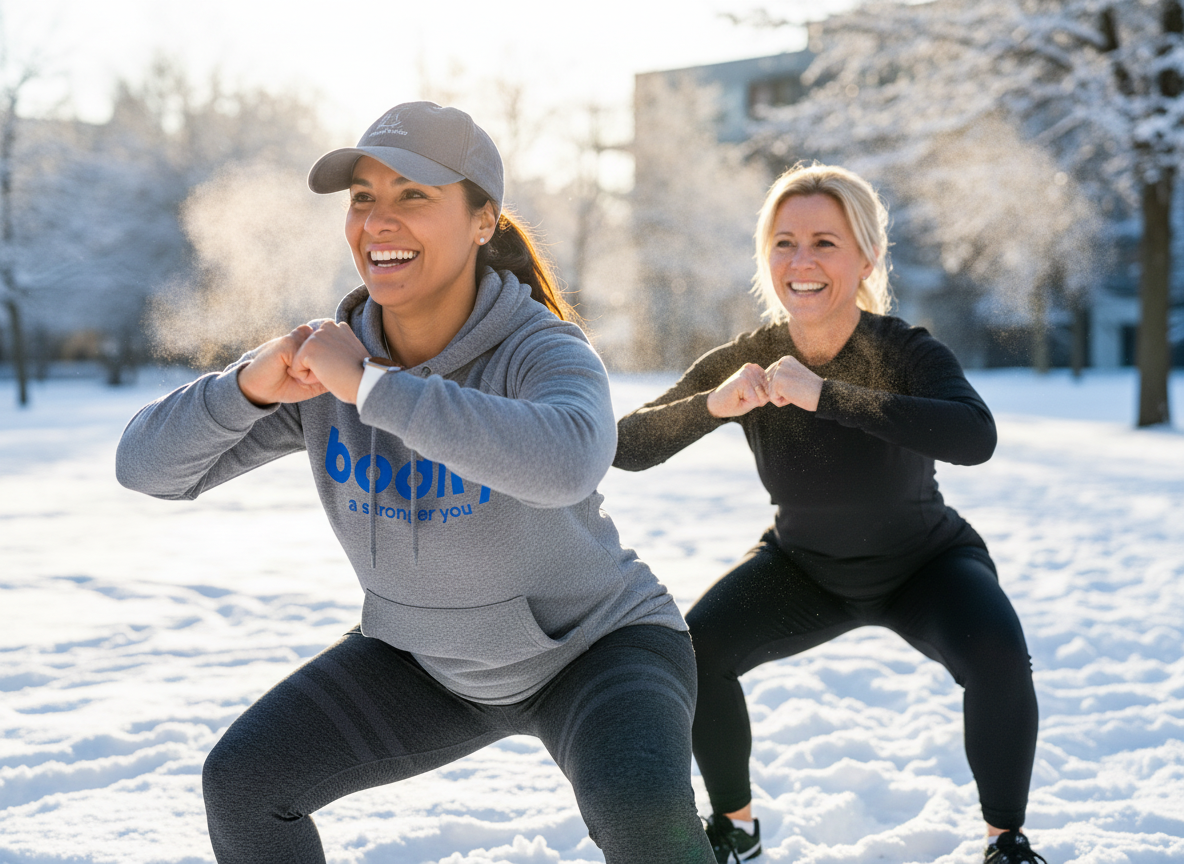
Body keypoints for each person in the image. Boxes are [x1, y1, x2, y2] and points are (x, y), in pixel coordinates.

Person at [117, 101, 715, 864]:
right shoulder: (325, 367)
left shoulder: (541, 350)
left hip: (597, 648)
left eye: (414, 196)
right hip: (426, 661)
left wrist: (372, 389)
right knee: (243, 783)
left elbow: (568, 463)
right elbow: (145, 469)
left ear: (482, 220)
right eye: (364, 197)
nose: (378, 220)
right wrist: (249, 388)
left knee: (643, 821)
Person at [614, 163, 1045, 864]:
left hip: (925, 565)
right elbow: (626, 446)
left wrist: (830, 396)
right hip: (803, 568)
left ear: (867, 257)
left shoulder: (903, 349)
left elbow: (976, 436)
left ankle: (1007, 841)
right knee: (696, 651)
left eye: (825, 242)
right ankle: (739, 828)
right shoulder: (749, 358)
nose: (802, 261)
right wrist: (711, 407)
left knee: (999, 654)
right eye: (784, 243)